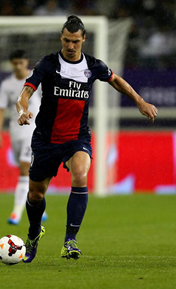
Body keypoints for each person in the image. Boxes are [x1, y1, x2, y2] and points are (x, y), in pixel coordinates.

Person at [16, 15, 158, 263]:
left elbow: (116, 81)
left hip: (76, 137)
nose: (70, 46)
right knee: (36, 195)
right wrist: (22, 110)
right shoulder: (48, 64)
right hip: (46, 139)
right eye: (66, 41)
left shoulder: (93, 66)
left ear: (84, 39)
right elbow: (26, 91)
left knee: (81, 173)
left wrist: (140, 101)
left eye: (75, 41)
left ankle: (70, 239)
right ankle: (33, 233)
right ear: (61, 38)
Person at [0, 49, 46, 225]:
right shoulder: (6, 84)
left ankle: (16, 212)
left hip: (33, 132)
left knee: (25, 169)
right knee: (27, 170)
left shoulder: (35, 79)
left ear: (26, 62)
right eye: (15, 63)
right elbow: (0, 110)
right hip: (15, 132)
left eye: (21, 62)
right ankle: (39, 204)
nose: (18, 66)